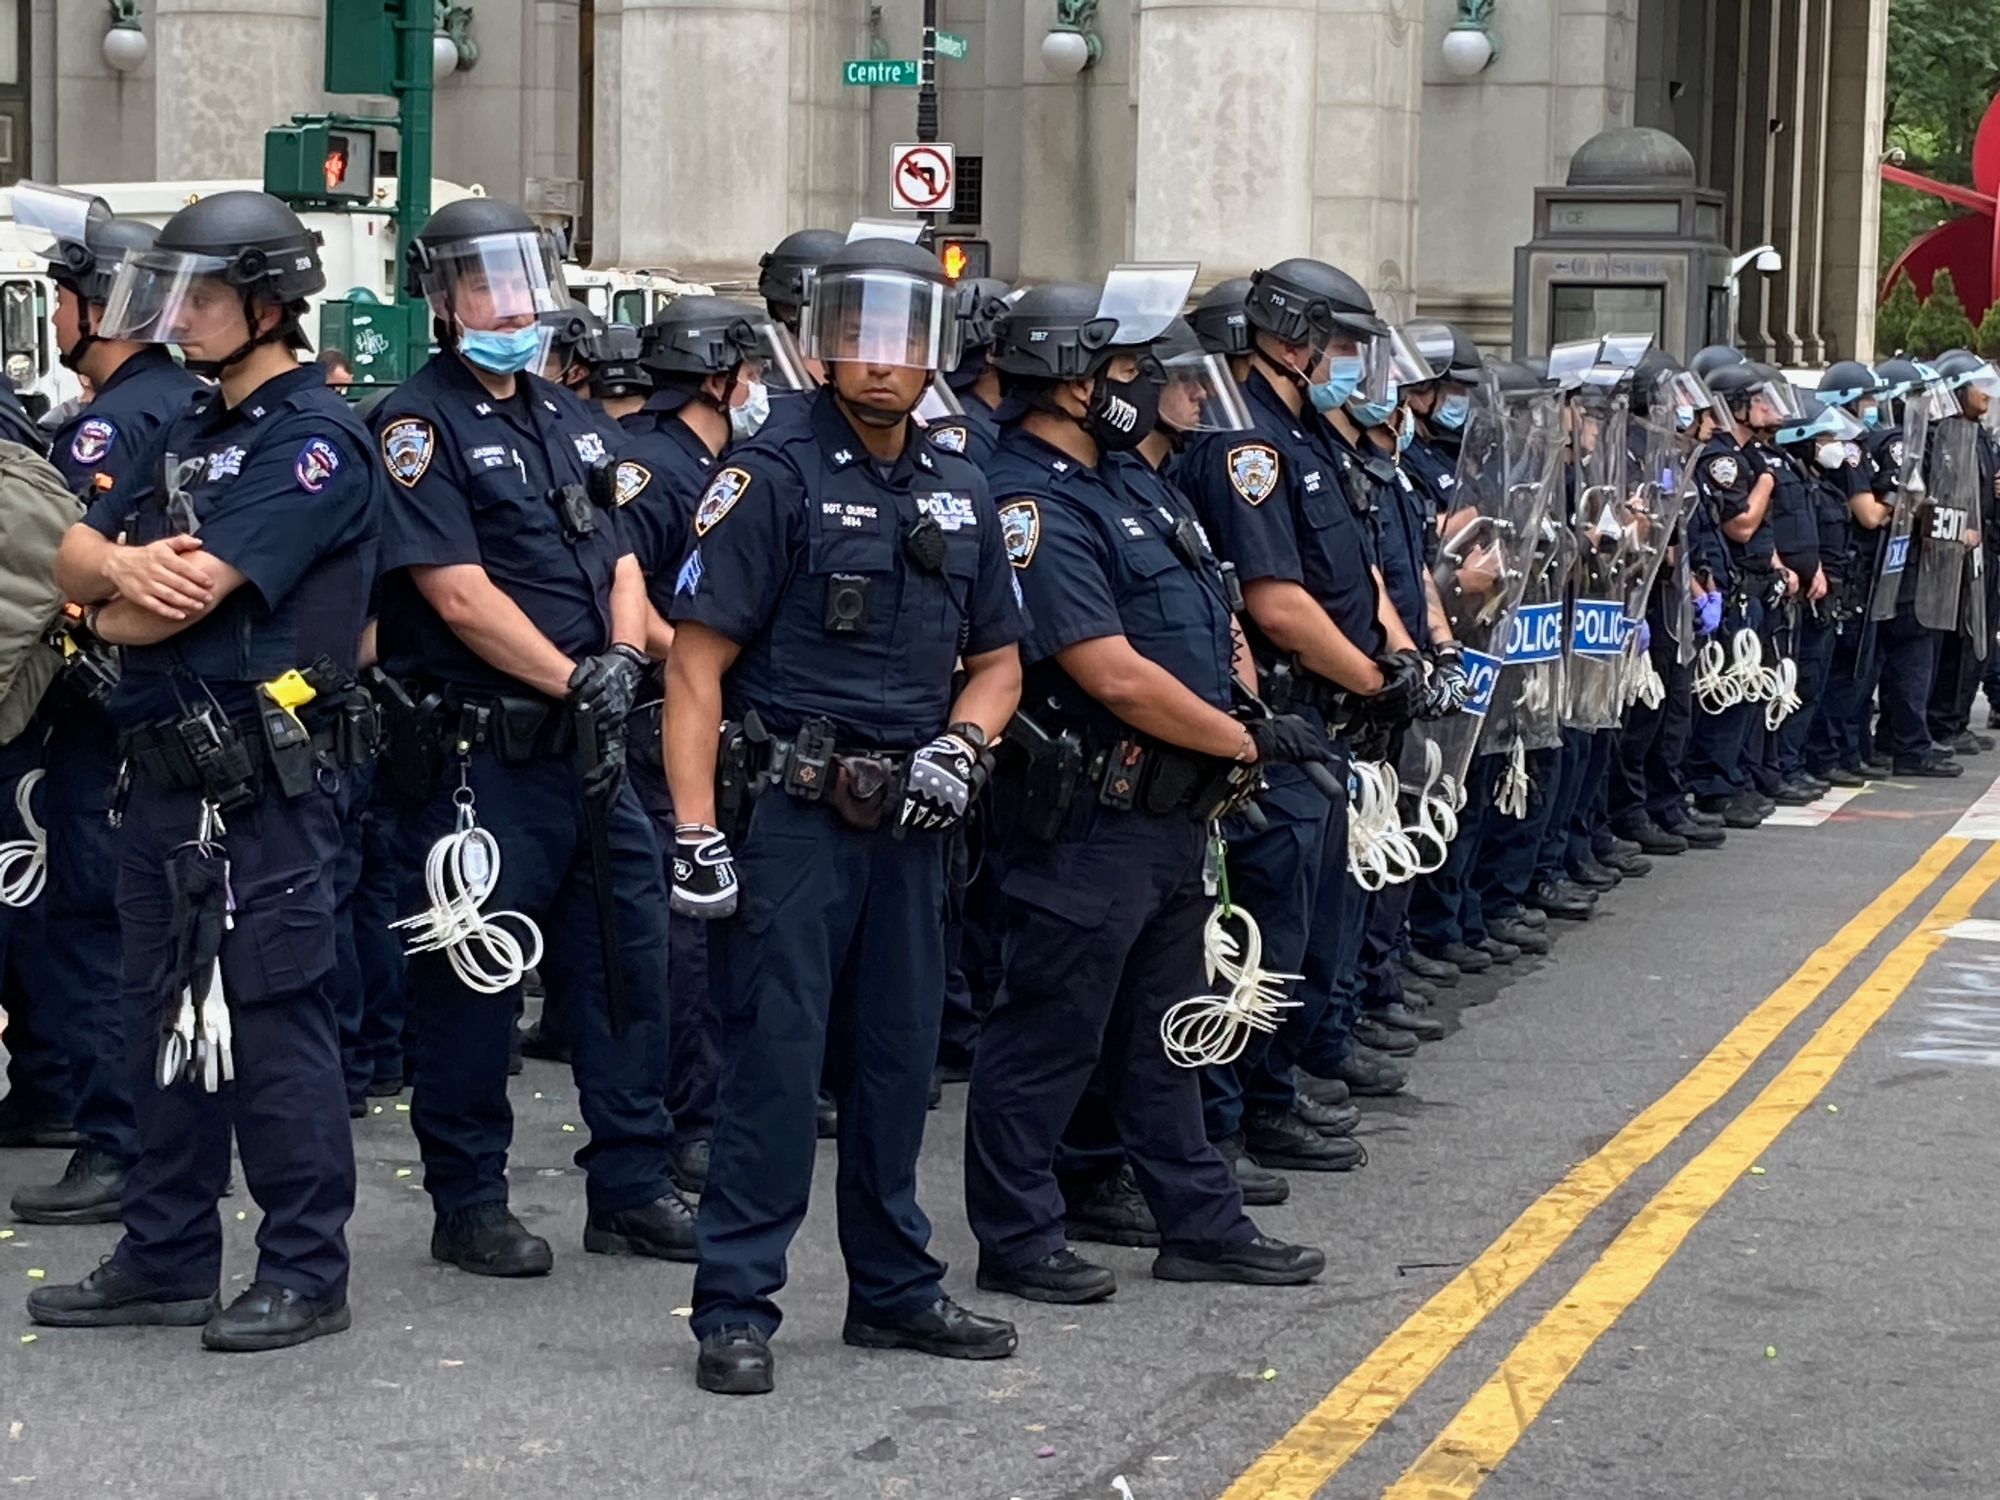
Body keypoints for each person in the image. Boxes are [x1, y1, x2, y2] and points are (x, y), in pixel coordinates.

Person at [663, 236, 1023, 1396]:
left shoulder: (960, 486)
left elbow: (999, 662)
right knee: (773, 1062)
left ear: (934, 350)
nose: (881, 361)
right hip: (793, 813)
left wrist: (963, 748)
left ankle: (895, 1290)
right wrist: (691, 829)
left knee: (897, 1060)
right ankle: (734, 1304)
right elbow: (693, 667)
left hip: (914, 819)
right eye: (859, 336)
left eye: (903, 338)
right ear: (821, 344)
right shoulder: (770, 477)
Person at [31, 190, 379, 1350]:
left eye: (208, 295)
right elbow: (90, 587)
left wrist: (108, 594)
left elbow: (185, 591)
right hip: (164, 773)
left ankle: (303, 1268)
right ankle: (167, 1254)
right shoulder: (187, 427)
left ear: (273, 304)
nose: (181, 315)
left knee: (274, 1021)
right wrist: (105, 591)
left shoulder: (312, 441)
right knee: (161, 1018)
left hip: (262, 783)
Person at [962, 279, 1326, 1304]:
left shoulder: (1135, 483)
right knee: (1046, 1035)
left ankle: (1197, 1221)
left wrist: (1242, 721)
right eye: (1125, 371)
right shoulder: (1027, 500)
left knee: (1166, 1032)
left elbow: (1207, 620)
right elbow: (1106, 670)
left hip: (1170, 807)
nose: (1148, 389)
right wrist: (1242, 748)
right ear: (1067, 382)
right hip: (1088, 814)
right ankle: (1018, 1233)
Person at [369, 196, 691, 1278]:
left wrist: (621, 659)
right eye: (484, 287)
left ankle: (631, 1185)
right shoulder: (417, 425)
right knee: (473, 980)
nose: (511, 305)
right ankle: (468, 1200)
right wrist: (572, 679)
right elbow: (455, 595)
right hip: (486, 755)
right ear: (444, 301)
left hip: (588, 746)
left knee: (626, 961)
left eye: (520, 282)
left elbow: (621, 556)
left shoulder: (573, 419)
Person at [1182, 256, 1421, 1199]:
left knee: (1306, 922)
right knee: (1261, 923)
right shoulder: (1248, 447)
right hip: (1280, 716)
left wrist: (1397, 658)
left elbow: (1354, 570)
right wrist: (1370, 677)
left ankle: (1273, 1089)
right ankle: (1229, 1114)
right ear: (1292, 339)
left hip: (1327, 717)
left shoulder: (1309, 437)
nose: (1355, 365)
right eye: (1344, 346)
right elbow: (1277, 603)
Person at [7, 184, 202, 1224]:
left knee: (87, 921)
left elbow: (74, 572)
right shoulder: (190, 404)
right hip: (173, 711)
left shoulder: (111, 426)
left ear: (100, 304)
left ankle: (113, 1139)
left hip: (99, 710)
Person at [616, 292, 792, 1191]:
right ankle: (689, 1116)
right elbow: (631, 593)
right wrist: (698, 664)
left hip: (724, 717)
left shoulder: (730, 463)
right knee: (685, 930)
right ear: (718, 379)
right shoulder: (656, 467)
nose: (760, 390)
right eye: (752, 374)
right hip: (669, 715)